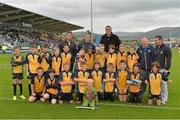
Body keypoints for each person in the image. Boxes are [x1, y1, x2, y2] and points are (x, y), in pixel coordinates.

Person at [154, 35, 172, 104]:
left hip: (163, 69)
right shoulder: (155, 48)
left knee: (164, 84)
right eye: (155, 40)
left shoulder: (166, 48)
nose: (155, 41)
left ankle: (164, 99)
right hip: (156, 69)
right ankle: (158, 97)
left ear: (160, 40)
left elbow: (169, 59)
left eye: (156, 40)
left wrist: (166, 69)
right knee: (157, 84)